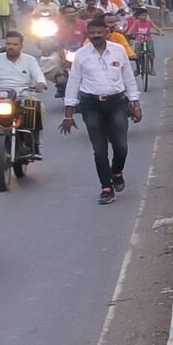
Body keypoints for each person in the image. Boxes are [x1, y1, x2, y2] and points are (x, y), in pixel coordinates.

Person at [61, 12, 142, 204]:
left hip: (117, 103)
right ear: (87, 35)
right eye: (92, 33)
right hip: (91, 105)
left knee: (121, 146)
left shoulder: (118, 50)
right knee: (99, 150)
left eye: (99, 32)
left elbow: (128, 78)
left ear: (107, 32)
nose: (96, 35)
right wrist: (68, 114)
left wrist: (136, 104)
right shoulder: (81, 55)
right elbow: (73, 83)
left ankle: (116, 171)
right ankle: (106, 188)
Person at [0, 31, 52, 153]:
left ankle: (35, 144)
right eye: (8, 43)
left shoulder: (30, 60)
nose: (11, 47)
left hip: (23, 93)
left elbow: (39, 77)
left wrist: (40, 84)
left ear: (21, 45)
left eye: (15, 44)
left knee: (38, 107)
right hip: (0, 94)